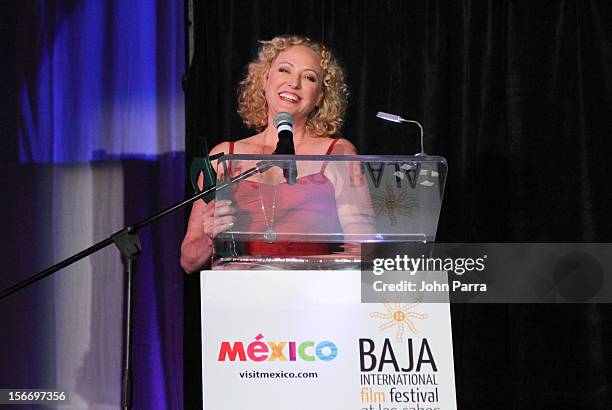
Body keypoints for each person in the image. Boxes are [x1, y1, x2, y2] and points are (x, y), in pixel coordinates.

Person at [180, 35, 371, 273]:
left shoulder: (338, 153)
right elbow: (188, 260)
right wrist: (211, 237)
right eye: (284, 70)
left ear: (320, 97)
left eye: (309, 77)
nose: (294, 83)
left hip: (311, 294)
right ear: (265, 79)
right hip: (238, 297)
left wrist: (288, 268)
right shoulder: (223, 156)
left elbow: (363, 246)